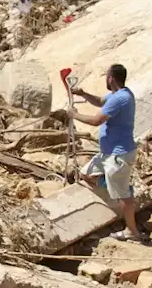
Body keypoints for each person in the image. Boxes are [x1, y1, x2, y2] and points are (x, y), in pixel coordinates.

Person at [57, 64, 140, 240]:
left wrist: (74, 115)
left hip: (118, 155)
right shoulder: (118, 95)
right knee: (87, 173)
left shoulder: (121, 98)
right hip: (108, 154)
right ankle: (118, 190)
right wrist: (83, 94)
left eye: (106, 76)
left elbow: (96, 120)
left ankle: (132, 230)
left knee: (123, 195)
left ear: (111, 78)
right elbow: (101, 102)